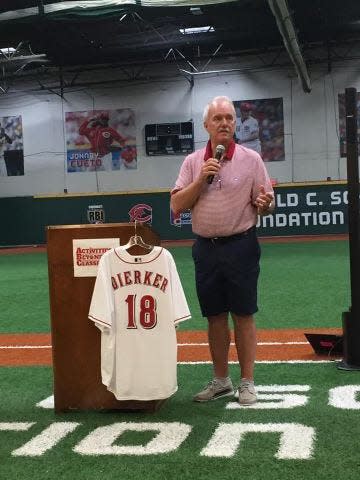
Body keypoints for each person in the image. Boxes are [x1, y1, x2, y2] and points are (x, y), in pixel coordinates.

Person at [170, 96, 274, 405]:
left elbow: (265, 202)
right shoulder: (192, 163)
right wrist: (202, 178)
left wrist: (266, 205)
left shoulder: (251, 159)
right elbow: (177, 204)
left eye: (229, 117)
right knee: (214, 316)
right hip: (206, 249)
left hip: (241, 245)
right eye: (218, 119)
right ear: (206, 126)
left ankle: (247, 382)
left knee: (243, 314)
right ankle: (221, 380)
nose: (225, 123)